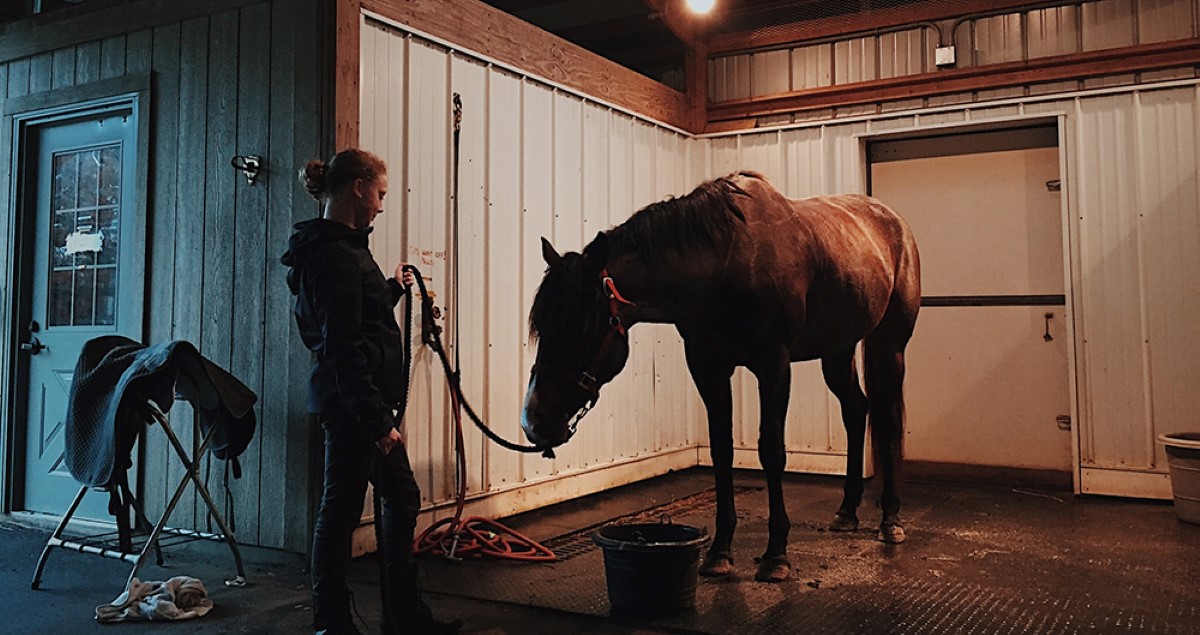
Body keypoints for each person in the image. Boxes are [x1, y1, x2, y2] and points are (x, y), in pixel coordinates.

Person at [281, 148, 461, 635]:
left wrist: (391, 290)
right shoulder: (335, 256)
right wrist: (378, 422)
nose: (383, 204)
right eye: (380, 193)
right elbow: (342, 347)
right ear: (359, 187)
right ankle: (336, 624)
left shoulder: (342, 249)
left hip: (359, 405)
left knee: (396, 499)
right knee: (341, 512)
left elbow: (353, 315)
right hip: (354, 409)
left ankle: (399, 616)